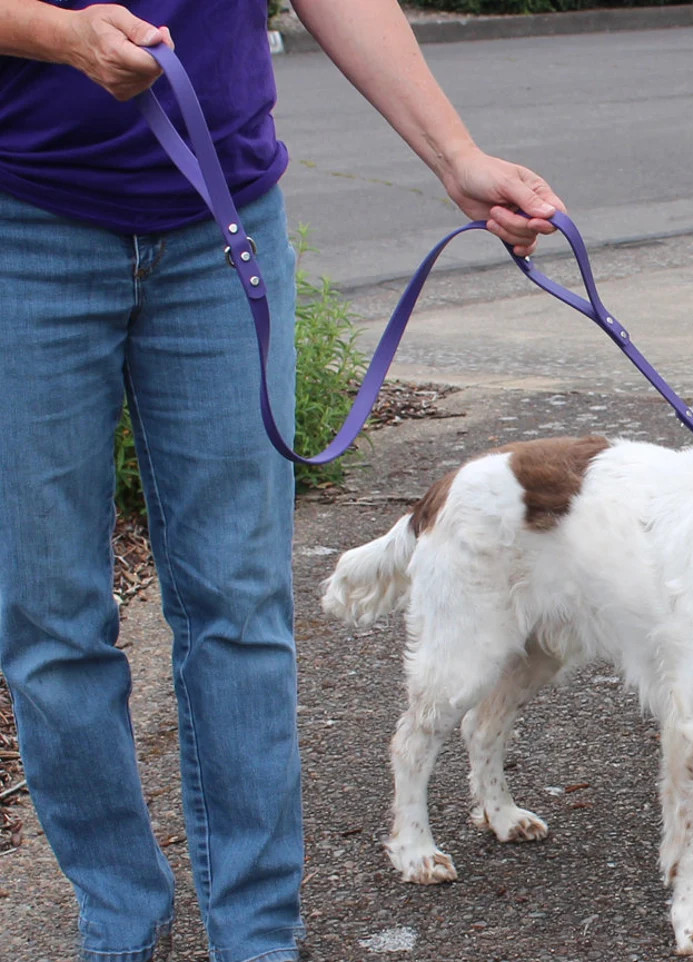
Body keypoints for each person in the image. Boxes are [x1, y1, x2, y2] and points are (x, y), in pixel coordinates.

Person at [0, 2, 566, 961]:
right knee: (52, 622)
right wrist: (55, 37)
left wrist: (452, 153)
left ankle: (258, 936)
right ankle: (121, 919)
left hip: (220, 220)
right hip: (21, 228)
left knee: (239, 606)